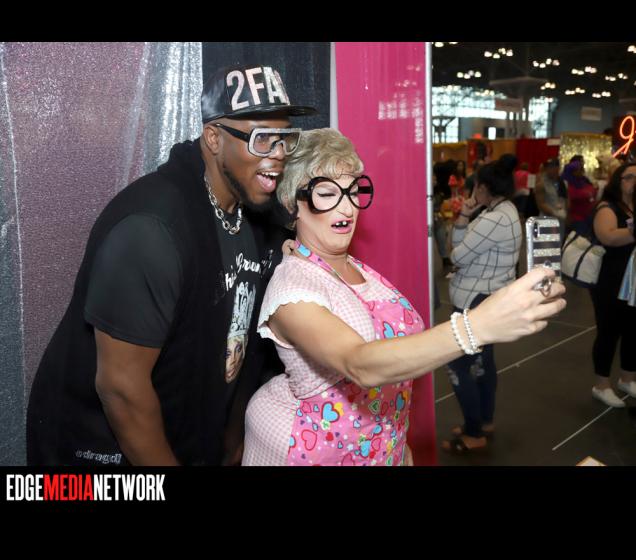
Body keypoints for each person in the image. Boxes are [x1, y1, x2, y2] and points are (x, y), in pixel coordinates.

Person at [26, 64, 317, 466]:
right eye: (262, 139)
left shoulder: (254, 217)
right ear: (214, 138)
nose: (279, 154)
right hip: (97, 452)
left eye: (284, 138)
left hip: (186, 435)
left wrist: (231, 436)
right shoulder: (152, 230)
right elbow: (121, 389)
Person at [241, 131, 565, 466]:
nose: (347, 207)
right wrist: (478, 326)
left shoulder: (354, 267)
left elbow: (387, 382)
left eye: (353, 191)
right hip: (323, 454)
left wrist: (395, 444)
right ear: (292, 205)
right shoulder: (292, 288)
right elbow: (359, 363)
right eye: (327, 193)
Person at [443, 154, 523, 453]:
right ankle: (484, 421)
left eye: (476, 186)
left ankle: (474, 431)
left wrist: (463, 220)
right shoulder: (505, 210)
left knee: (457, 364)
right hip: (488, 297)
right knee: (481, 363)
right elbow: (461, 246)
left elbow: (456, 255)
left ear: (484, 188)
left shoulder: (493, 219)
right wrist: (465, 215)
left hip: (475, 299)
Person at [590, 163, 636, 407]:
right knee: (609, 331)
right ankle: (601, 385)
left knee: (633, 331)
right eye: (629, 177)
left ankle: (627, 379)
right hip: (610, 280)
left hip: (633, 281)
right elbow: (607, 236)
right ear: (618, 181)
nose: (634, 182)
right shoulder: (607, 207)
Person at [535, 158, 569, 242]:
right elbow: (541, 204)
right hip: (546, 220)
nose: (551, 170)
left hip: (560, 221)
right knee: (545, 245)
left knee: (558, 244)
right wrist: (555, 213)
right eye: (548, 167)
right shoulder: (541, 184)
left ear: (558, 168)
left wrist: (566, 213)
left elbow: (567, 200)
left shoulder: (563, 183)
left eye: (553, 167)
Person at [562, 160, 597, 235]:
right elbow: (567, 202)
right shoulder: (567, 184)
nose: (582, 171)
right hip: (577, 220)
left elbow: (592, 191)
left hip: (588, 217)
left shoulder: (584, 181)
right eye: (580, 169)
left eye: (582, 169)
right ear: (573, 171)